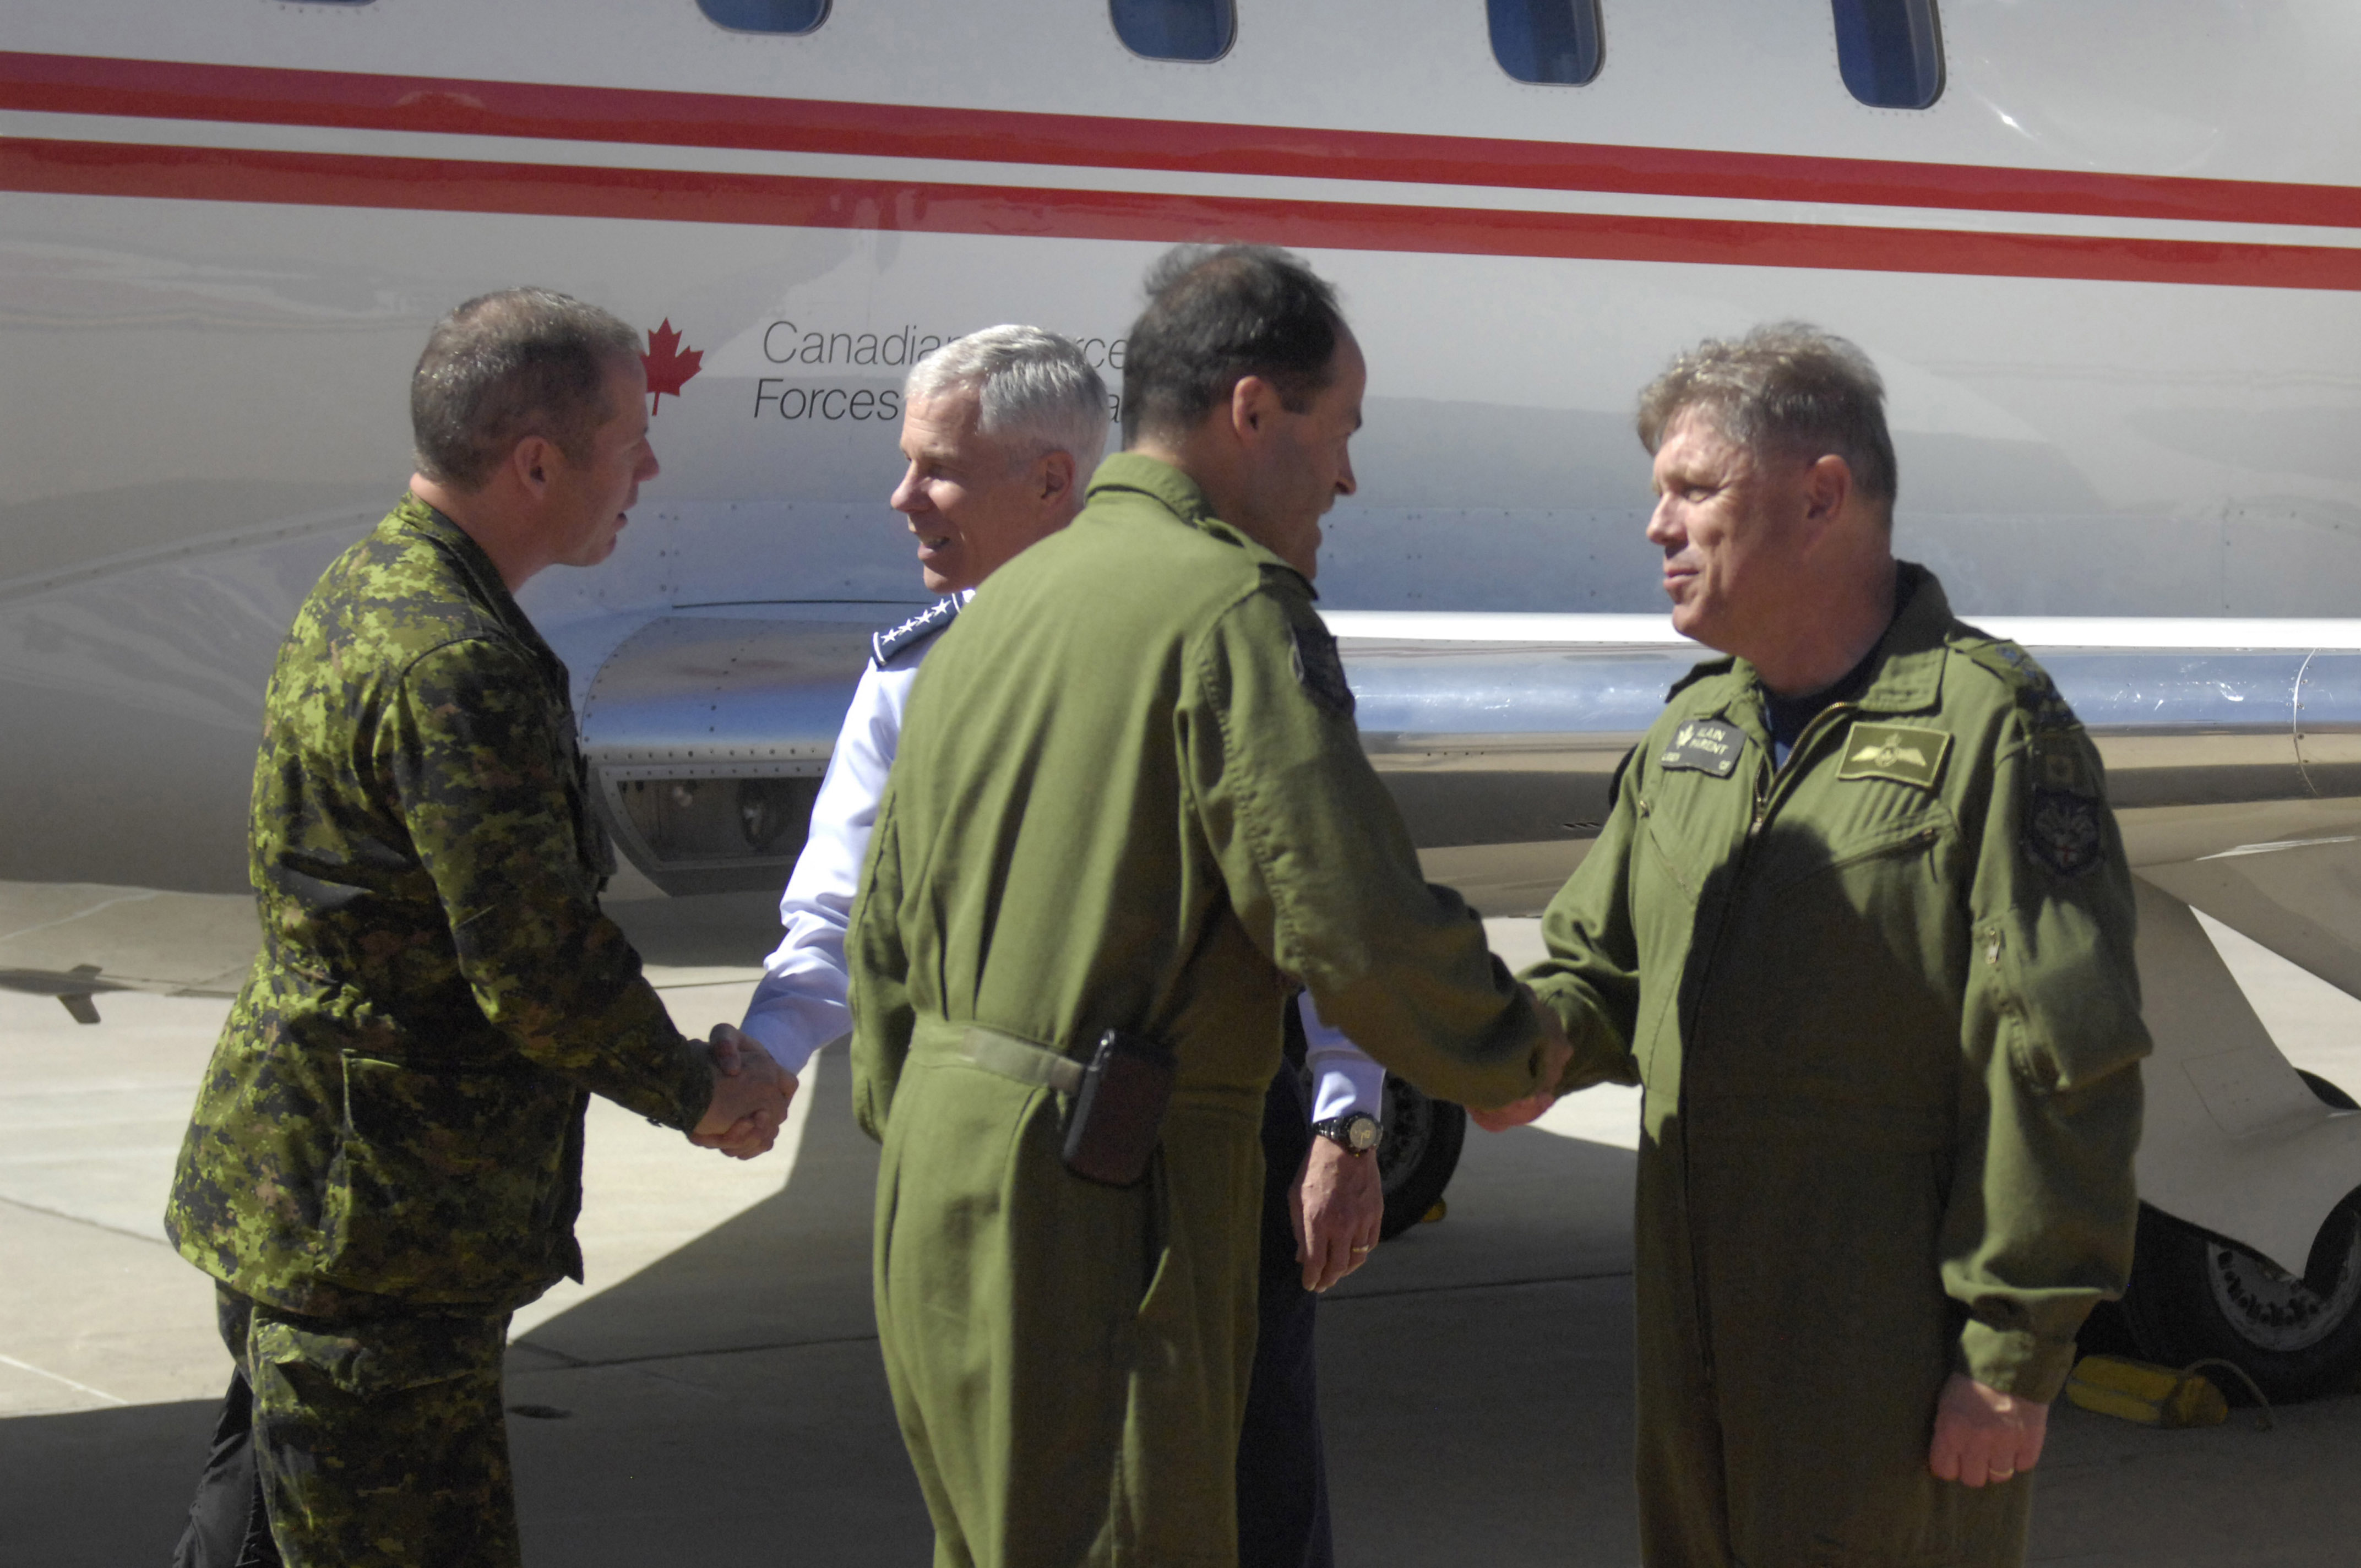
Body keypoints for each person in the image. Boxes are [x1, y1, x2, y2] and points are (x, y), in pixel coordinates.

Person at [846, 244, 1572, 1568]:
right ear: (1253, 410)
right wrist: (1510, 1050)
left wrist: (943, 1146)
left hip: (940, 1194)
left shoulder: (992, 614)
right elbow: (1344, 919)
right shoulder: (1228, 609)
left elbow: (881, 937)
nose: (1345, 475)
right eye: (1338, 428)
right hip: (1101, 1204)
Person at [1493, 323, 2149, 1566]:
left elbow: (2060, 1059)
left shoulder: (1990, 730)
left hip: (1883, 1372)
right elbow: (1597, 971)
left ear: (1820, 495)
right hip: (1696, 1364)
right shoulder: (1696, 734)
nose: (1657, 527)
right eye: (1658, 497)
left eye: (1692, 490)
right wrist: (1491, 1048)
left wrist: (2007, 1356)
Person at [164, 288, 795, 1568]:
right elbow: (534, 968)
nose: (650, 468)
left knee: (255, 1535)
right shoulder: (456, 659)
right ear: (538, 462)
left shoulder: (376, 585)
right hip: (382, 1230)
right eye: (631, 437)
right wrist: (699, 1092)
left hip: (320, 1196)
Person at [736, 324, 1383, 1567]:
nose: (901, 499)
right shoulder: (913, 674)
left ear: (1049, 481)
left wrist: (1345, 1112)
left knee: (1249, 1486)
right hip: (1018, 1170)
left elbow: (1317, 894)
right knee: (1027, 1493)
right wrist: (767, 1053)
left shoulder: (1210, 628)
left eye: (936, 468)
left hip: (1197, 1145)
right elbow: (835, 914)